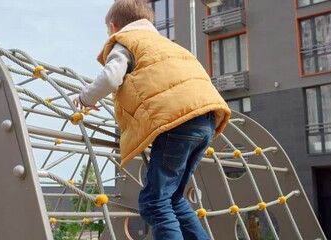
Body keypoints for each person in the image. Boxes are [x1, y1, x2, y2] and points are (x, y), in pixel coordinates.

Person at [75, 0, 231, 239]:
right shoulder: (167, 45)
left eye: (108, 31)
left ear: (114, 27)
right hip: (207, 118)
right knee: (174, 198)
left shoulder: (126, 41)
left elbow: (111, 78)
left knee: (154, 202)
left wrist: (85, 98)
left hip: (178, 121)